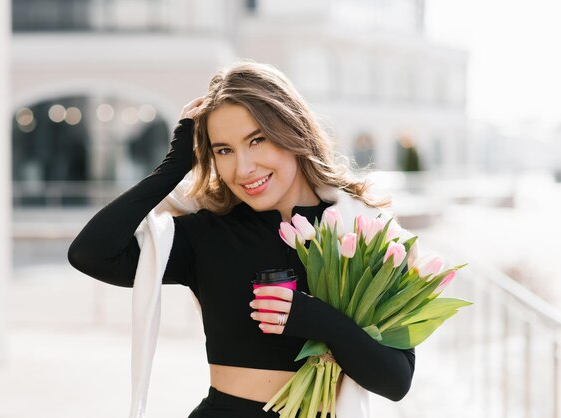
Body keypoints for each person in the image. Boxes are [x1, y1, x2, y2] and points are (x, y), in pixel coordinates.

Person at [67, 60, 415, 418]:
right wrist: (173, 166)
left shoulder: (361, 231)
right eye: (224, 150)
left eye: (257, 140)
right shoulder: (208, 234)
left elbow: (396, 381)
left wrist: (313, 317)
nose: (243, 168)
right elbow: (90, 253)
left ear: (292, 130)